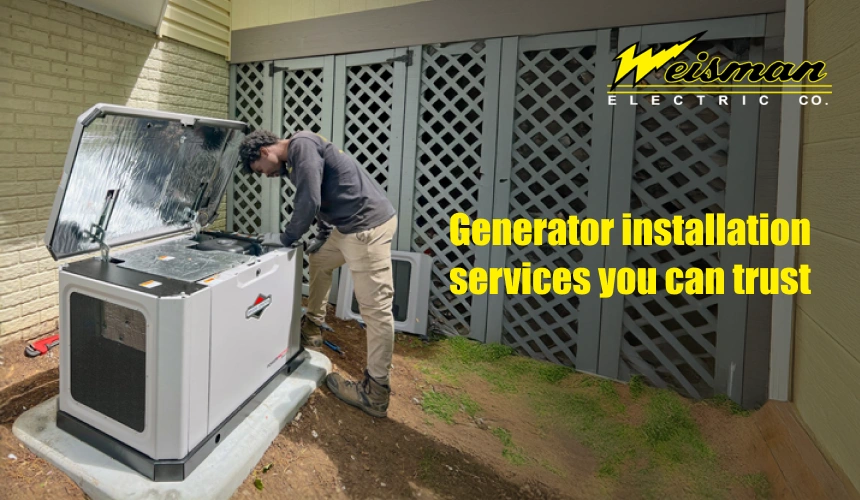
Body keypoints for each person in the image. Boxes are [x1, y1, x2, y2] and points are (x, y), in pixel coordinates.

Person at [238, 129, 397, 418]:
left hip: (366, 227)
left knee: (375, 309)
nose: (266, 175)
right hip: (346, 227)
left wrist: (286, 238)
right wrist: (323, 234)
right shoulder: (295, 159)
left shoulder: (301, 145)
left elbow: (309, 200)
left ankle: (375, 391)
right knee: (320, 259)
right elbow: (323, 194)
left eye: (261, 170)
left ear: (265, 152)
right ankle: (312, 328)